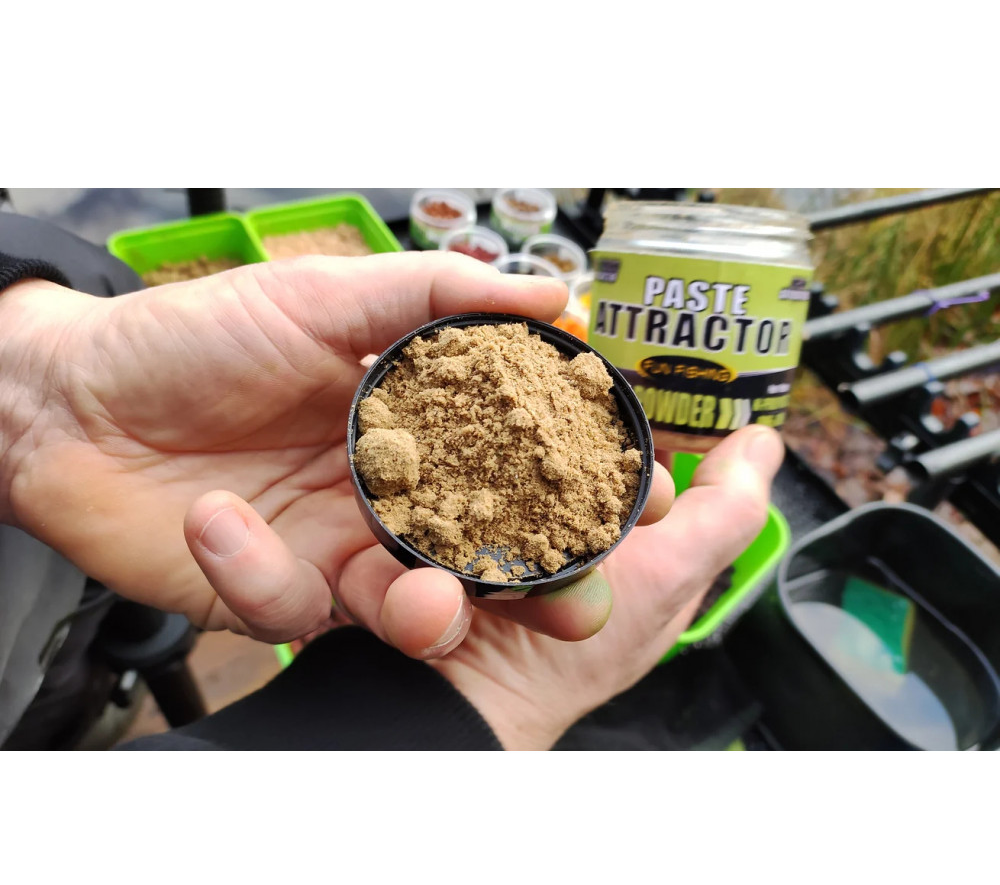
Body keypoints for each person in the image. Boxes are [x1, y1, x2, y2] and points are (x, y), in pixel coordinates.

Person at [0, 211, 783, 749]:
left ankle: (76, 699)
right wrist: (494, 704)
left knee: (69, 679)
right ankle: (73, 701)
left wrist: (42, 371)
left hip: (44, 617)